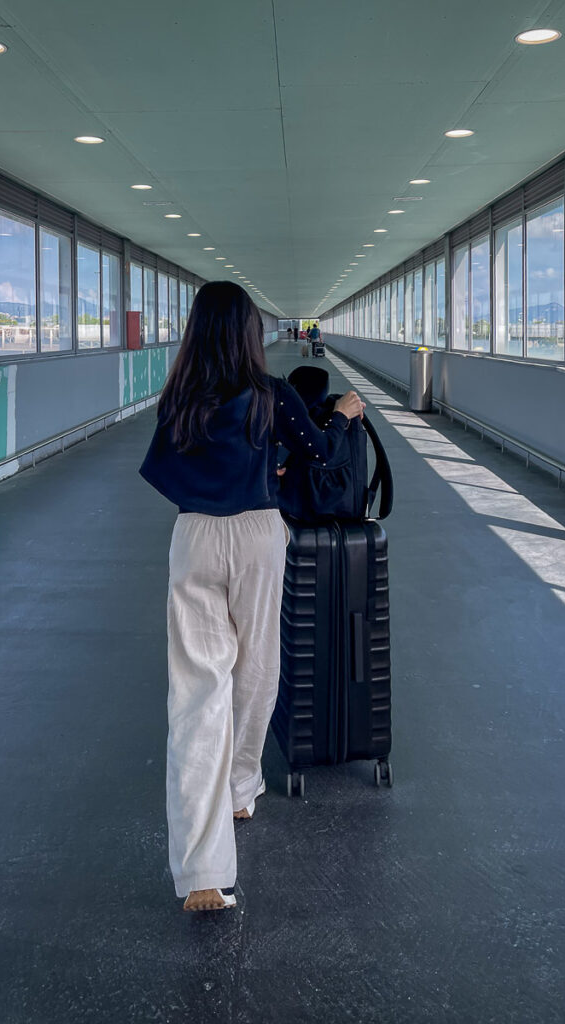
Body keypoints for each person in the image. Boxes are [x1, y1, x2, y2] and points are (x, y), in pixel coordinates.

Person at [139, 281, 365, 912]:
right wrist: (343, 416)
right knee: (257, 670)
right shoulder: (273, 394)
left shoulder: (179, 400)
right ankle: (241, 784)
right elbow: (317, 456)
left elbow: (164, 472)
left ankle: (202, 873)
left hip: (195, 535)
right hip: (260, 535)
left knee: (195, 694)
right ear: (248, 333)